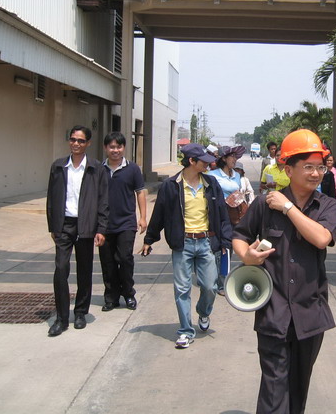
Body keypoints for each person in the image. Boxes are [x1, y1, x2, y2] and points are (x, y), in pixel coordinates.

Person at [233, 129, 336, 414]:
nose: (316, 174)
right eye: (308, 167)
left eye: (320, 167)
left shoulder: (328, 206)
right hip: (273, 311)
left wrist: (288, 207)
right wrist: (247, 256)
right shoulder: (264, 204)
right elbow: (240, 235)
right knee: (273, 386)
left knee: (298, 386)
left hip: (310, 311)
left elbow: (321, 238)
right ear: (288, 169)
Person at [140, 143, 232, 348]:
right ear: (191, 161)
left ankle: (203, 312)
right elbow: (159, 214)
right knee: (182, 289)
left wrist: (225, 240)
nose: (208, 164)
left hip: (206, 242)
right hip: (182, 244)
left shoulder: (211, 183)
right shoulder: (171, 186)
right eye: (204, 161)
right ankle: (185, 330)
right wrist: (149, 239)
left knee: (210, 286)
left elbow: (222, 214)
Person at [46, 125, 108, 336]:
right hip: (64, 225)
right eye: (73, 139)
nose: (76, 144)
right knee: (61, 269)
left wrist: (101, 228)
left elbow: (103, 200)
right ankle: (61, 319)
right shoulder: (58, 166)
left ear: (88, 143)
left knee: (84, 270)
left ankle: (80, 312)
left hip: (86, 224)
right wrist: (53, 225)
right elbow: (51, 198)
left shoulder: (96, 168)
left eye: (81, 141)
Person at [99, 132, 147, 312]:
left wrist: (143, 217)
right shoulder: (99, 169)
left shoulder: (132, 169)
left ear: (124, 148)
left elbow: (140, 192)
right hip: (104, 223)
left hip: (126, 222)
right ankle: (111, 297)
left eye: (118, 147)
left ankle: (128, 294)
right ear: (105, 148)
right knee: (108, 262)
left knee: (125, 259)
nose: (115, 150)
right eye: (112, 147)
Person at [208, 145, 248, 294]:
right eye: (232, 156)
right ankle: (217, 281)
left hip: (233, 216)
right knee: (217, 247)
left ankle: (223, 280)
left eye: (236, 157)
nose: (235, 159)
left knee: (228, 247)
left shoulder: (236, 175)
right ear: (224, 158)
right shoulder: (212, 175)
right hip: (217, 216)